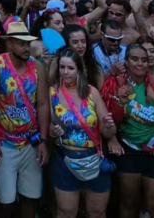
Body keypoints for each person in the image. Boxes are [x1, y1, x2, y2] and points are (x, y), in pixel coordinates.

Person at [102, 43, 154, 218]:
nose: (140, 63)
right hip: (128, 150)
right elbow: (109, 122)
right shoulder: (114, 83)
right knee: (129, 204)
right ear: (126, 61)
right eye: (135, 59)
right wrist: (121, 103)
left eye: (144, 60)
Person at [0, 21, 49, 218]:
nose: (26, 48)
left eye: (27, 43)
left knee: (31, 197)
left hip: (31, 142)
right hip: (4, 143)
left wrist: (43, 140)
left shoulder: (37, 67)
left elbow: (42, 104)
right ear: (9, 43)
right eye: (21, 43)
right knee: (6, 200)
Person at [49, 48, 118, 218]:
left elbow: (108, 132)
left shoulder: (91, 92)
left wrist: (108, 125)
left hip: (93, 158)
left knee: (97, 213)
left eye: (70, 68)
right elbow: (47, 127)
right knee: (66, 213)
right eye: (62, 67)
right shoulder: (52, 93)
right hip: (64, 159)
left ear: (79, 70)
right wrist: (52, 131)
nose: (65, 72)